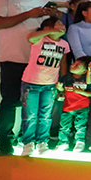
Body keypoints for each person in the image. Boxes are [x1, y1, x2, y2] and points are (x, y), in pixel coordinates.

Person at [0, 0, 61, 155]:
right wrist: (29, 14)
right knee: (10, 101)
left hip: (40, 65)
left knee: (37, 105)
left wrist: (57, 16)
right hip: (13, 60)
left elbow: (55, 32)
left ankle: (29, 140)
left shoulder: (46, 3)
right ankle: (5, 141)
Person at [20, 17, 70, 155]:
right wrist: (49, 31)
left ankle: (42, 142)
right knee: (30, 115)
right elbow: (30, 37)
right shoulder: (40, 40)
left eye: (62, 24)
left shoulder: (64, 44)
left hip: (50, 84)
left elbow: (63, 62)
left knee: (46, 115)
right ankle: (28, 143)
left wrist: (62, 79)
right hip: (31, 82)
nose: (62, 26)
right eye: (58, 24)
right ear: (48, 28)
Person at [55, 55, 91, 152]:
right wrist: (59, 88)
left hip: (82, 106)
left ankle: (80, 142)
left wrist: (80, 91)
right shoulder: (66, 77)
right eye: (74, 63)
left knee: (80, 125)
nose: (73, 65)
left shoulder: (88, 79)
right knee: (64, 125)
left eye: (77, 65)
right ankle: (63, 142)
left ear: (85, 71)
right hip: (67, 106)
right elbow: (62, 90)